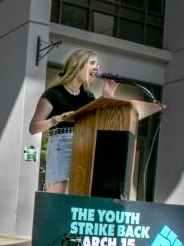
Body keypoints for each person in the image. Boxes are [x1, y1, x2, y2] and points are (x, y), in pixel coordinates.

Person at [29, 49, 118, 193]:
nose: (97, 68)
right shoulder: (54, 93)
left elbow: (99, 125)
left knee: (78, 197)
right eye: (92, 63)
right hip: (61, 145)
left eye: (98, 65)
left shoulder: (88, 97)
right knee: (58, 197)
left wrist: (107, 97)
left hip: (84, 147)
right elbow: (33, 128)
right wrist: (58, 119)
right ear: (77, 64)